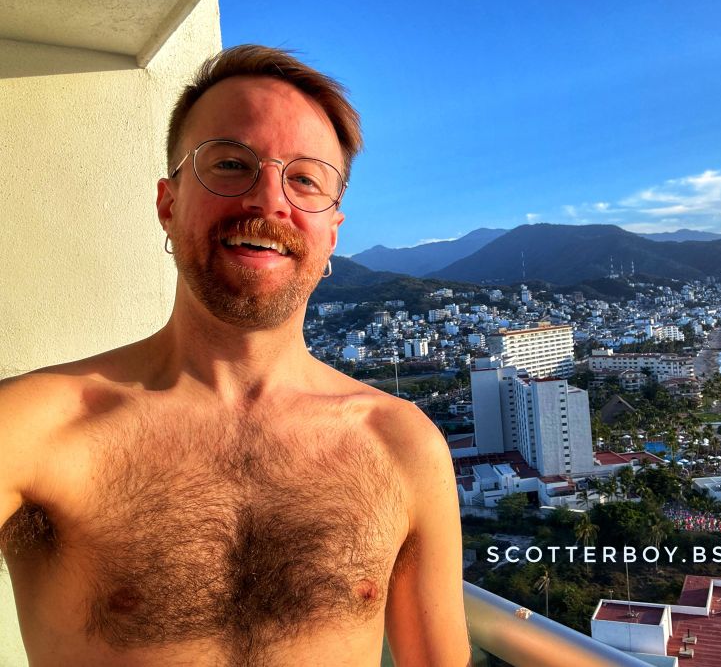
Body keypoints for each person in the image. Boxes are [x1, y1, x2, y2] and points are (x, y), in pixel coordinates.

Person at [0, 45, 471, 666]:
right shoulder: (36, 427)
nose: (269, 201)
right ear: (169, 206)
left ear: (332, 233)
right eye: (229, 165)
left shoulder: (404, 446)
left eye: (304, 179)